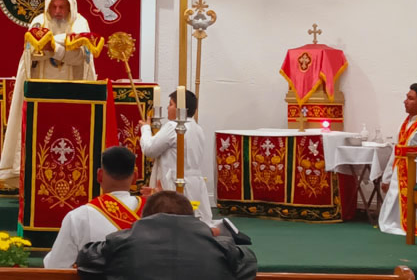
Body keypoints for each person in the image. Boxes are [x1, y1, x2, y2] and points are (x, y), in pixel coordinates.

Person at [0, 0, 97, 188]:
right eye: (54, 7)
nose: (58, 11)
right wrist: (62, 45)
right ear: (48, 6)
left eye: (62, 7)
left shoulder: (80, 23)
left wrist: (53, 46)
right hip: (40, 96)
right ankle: (35, 184)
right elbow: (32, 53)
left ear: (70, 7)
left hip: (72, 94)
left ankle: (73, 182)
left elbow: (80, 57)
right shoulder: (38, 21)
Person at [76, 190, 257, 280]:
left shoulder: (120, 242)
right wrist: (206, 234)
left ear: (144, 218)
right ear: (191, 218)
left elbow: (85, 259)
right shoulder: (223, 248)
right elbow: (248, 263)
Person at [44, 146, 145, 268]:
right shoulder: (154, 213)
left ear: (99, 175)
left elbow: (55, 267)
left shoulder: (78, 217)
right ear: (135, 177)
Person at [140, 89, 212, 225]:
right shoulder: (198, 128)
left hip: (175, 182)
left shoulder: (173, 127)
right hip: (195, 182)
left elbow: (149, 149)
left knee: (172, 221)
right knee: (195, 221)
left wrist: (146, 129)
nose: (167, 108)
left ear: (180, 109)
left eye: (171, 104)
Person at [379, 83, 417, 235]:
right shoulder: (407, 122)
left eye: (410, 98)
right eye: (406, 97)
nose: (405, 101)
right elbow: (397, 151)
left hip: (414, 174)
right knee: (391, 220)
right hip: (399, 171)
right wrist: (387, 177)